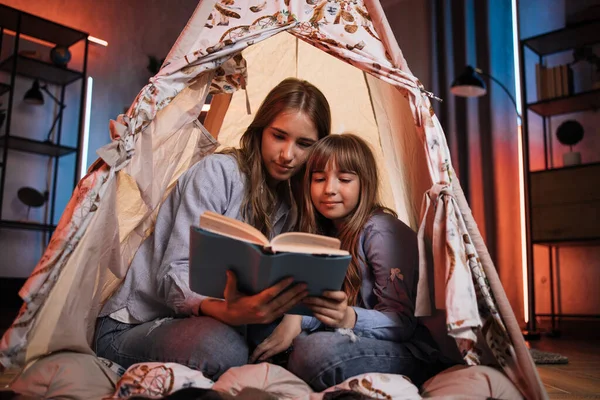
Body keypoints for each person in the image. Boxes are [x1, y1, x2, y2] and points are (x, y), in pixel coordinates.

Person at [94, 78, 332, 379]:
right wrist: (227, 312)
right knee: (223, 350)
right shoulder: (218, 174)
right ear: (260, 131)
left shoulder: (299, 199)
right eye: (279, 136)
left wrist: (295, 319)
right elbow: (174, 275)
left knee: (303, 348)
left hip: (225, 322)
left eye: (304, 144)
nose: (288, 155)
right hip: (134, 324)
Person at [250, 133, 446, 391]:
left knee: (313, 352)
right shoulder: (323, 231)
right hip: (346, 336)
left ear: (364, 184)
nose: (329, 189)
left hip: (407, 348)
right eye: (319, 179)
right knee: (258, 327)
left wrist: (348, 318)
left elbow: (403, 323)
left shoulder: (381, 231)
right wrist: (295, 319)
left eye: (344, 179)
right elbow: (321, 309)